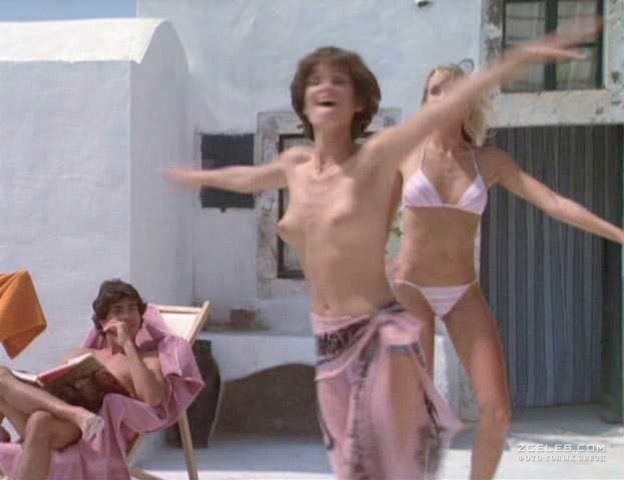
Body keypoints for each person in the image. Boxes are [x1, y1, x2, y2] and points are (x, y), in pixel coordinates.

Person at [167, 24, 596, 479]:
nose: (326, 87)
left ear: (358, 102)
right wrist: (196, 178)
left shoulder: (380, 156)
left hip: (382, 324)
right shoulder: (296, 165)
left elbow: (454, 123)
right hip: (332, 339)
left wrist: (521, 57)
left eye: (339, 81)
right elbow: (248, 178)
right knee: (356, 464)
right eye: (316, 81)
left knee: (397, 445)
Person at [392, 57, 622, 479]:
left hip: (462, 291)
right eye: (435, 90)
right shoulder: (405, 155)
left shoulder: (489, 161)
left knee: (498, 413)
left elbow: (554, 203)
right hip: (411, 289)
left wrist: (619, 234)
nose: (443, 97)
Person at [0, 279, 166, 480]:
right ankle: (75, 413)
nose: (127, 316)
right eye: (118, 310)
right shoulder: (82, 355)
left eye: (133, 309)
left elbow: (153, 399)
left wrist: (128, 346)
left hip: (87, 432)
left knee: (40, 420)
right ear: (103, 322)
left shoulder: (148, 360)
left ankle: (78, 416)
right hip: (58, 416)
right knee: (2, 376)